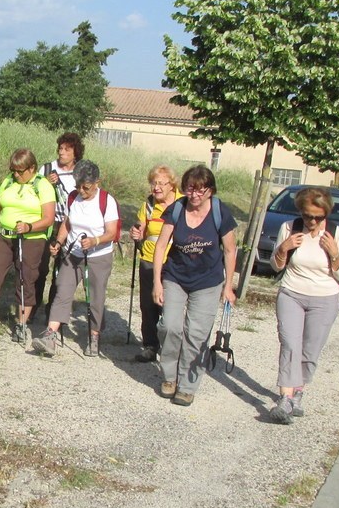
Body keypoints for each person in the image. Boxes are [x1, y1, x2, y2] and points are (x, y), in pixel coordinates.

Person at [152, 165, 237, 407]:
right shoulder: (176, 209)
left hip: (208, 281)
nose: (195, 194)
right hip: (175, 277)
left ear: (210, 190)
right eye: (191, 188)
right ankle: (169, 377)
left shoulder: (220, 212)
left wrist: (228, 286)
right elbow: (160, 246)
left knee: (196, 334)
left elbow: (230, 250)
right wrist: (157, 283)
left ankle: (187, 385)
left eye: (201, 190)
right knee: (170, 326)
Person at [267, 187, 339, 424]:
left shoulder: (336, 234)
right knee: (289, 344)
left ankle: (298, 392)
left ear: (326, 214)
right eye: (307, 216)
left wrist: (334, 254)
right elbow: (276, 266)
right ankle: (285, 398)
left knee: (310, 351)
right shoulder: (289, 228)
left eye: (318, 217)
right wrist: (283, 248)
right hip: (292, 292)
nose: (312, 221)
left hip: (325, 298)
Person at [32, 159, 118, 358]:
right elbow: (67, 224)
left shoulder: (107, 201)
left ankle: (94, 336)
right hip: (73, 253)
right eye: (78, 186)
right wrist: (59, 242)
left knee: (96, 297)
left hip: (98, 256)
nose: (81, 191)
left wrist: (95, 240)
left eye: (86, 187)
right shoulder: (73, 197)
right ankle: (50, 336)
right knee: (62, 290)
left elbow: (111, 232)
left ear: (97, 182)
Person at [0, 150, 56, 343]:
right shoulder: (9, 181)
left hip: (31, 238)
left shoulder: (43, 185)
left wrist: (29, 226)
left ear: (32, 168)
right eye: (13, 170)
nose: (15, 174)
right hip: (4, 236)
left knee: (25, 279)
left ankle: (22, 324)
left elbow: (49, 218)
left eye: (19, 171)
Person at [129, 165, 183, 362]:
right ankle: (150, 346)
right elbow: (141, 228)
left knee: (170, 306)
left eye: (161, 183)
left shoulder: (182, 203)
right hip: (149, 260)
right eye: (153, 183)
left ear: (172, 185)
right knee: (148, 305)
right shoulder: (149, 204)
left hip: (174, 263)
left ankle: (171, 348)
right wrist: (137, 233)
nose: (156, 187)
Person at [33, 132, 84, 317]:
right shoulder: (47, 169)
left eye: (66, 149)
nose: (62, 152)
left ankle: (52, 312)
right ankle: (32, 308)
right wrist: (45, 183)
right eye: (60, 148)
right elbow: (33, 192)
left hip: (70, 224)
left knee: (61, 271)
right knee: (39, 268)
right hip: (47, 222)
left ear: (75, 152)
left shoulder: (81, 172)